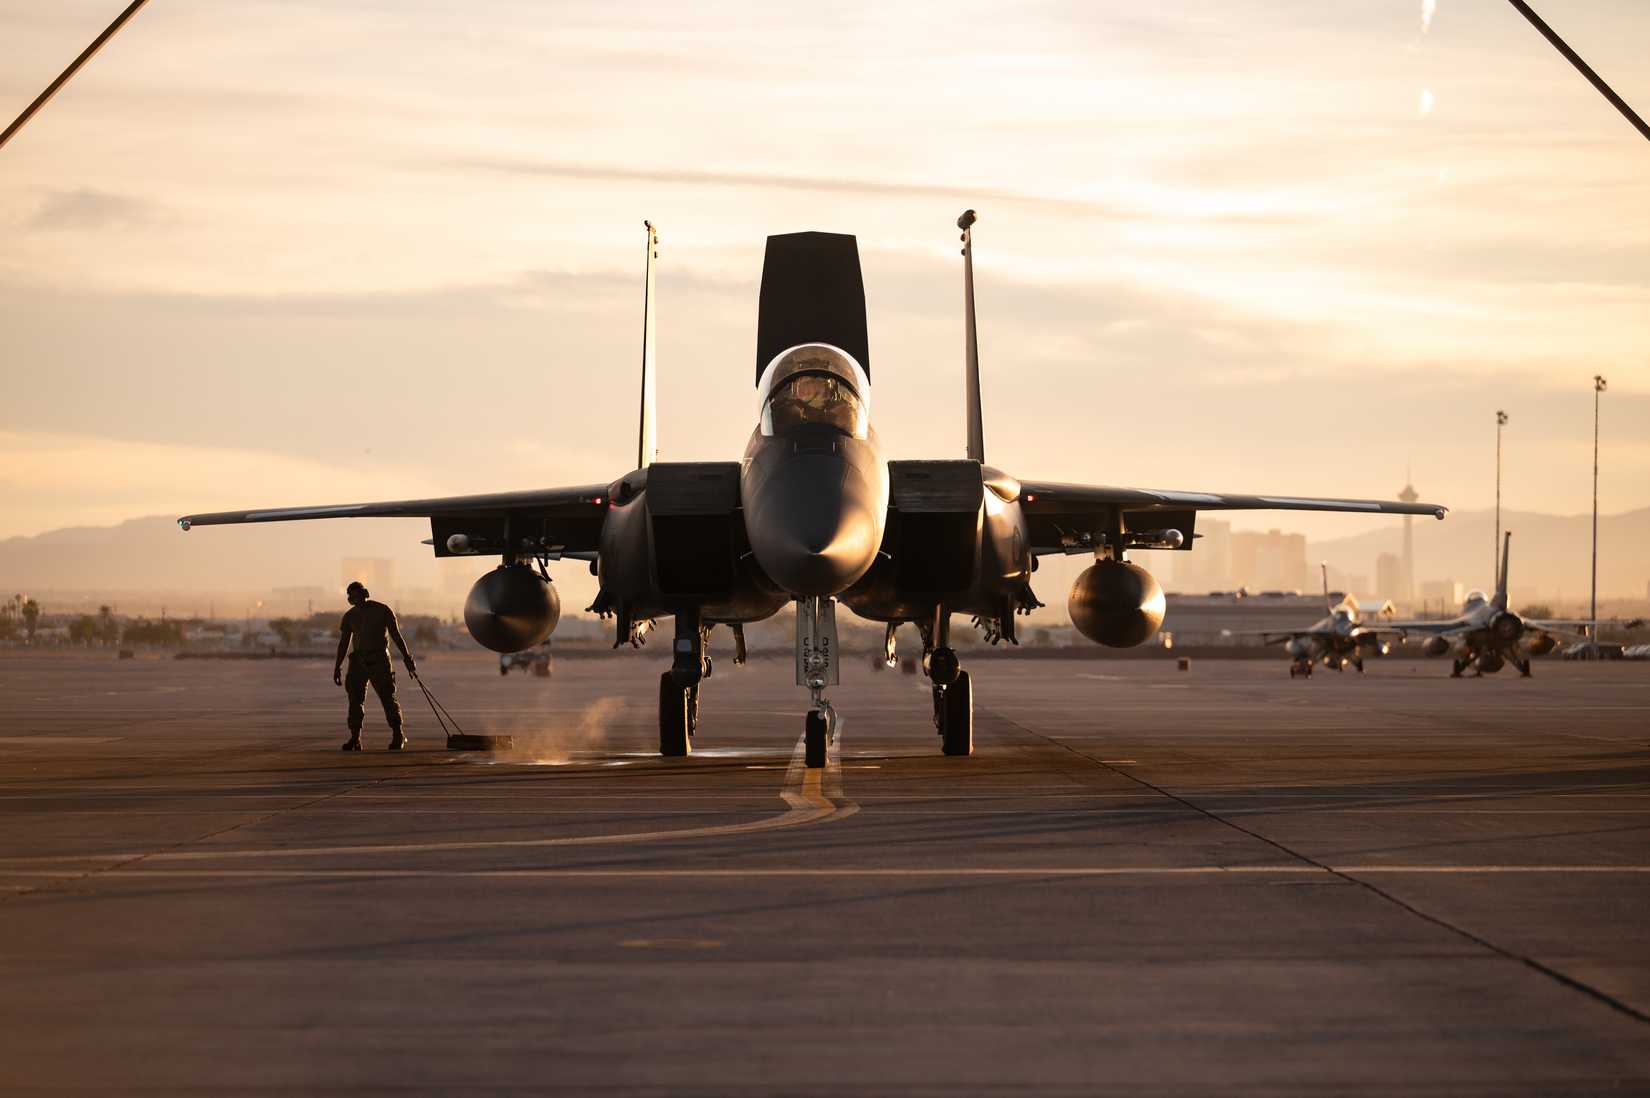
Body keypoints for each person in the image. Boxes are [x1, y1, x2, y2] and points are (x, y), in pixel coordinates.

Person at [333, 581, 416, 751]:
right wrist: (337, 666)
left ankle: (398, 734)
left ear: (365, 594)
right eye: (352, 596)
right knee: (355, 700)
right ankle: (355, 738)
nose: (356, 599)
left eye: (358, 595)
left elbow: (396, 636)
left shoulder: (382, 610)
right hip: (358, 662)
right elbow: (343, 643)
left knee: (387, 697)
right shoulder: (349, 617)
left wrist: (407, 658)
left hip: (379, 661)